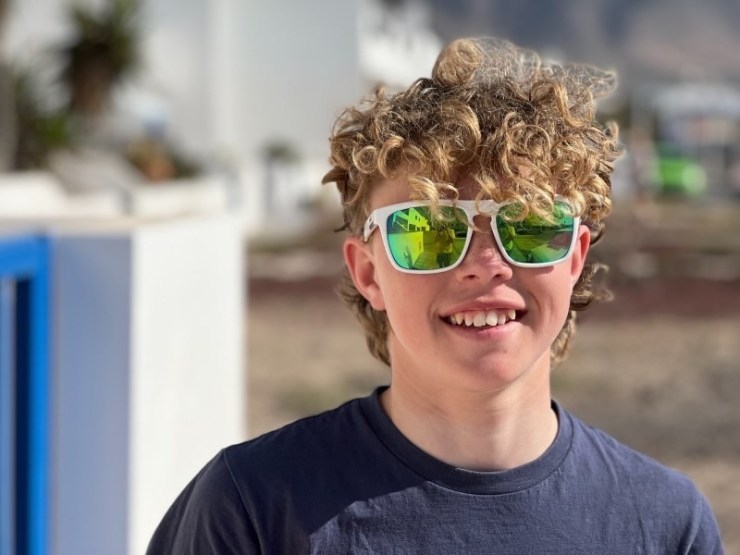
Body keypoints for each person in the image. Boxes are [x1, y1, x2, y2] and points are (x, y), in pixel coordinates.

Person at [147, 37, 724, 554]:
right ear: (369, 272)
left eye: (529, 226)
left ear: (574, 258)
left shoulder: (666, 525)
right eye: (426, 231)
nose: (485, 266)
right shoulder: (253, 509)